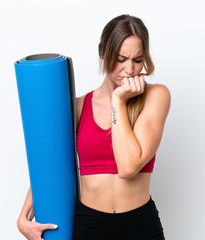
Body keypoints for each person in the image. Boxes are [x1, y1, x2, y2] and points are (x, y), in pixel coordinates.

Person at [17, 14, 171, 240]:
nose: (129, 69)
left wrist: (119, 101)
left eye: (137, 60)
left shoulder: (156, 96)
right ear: (103, 54)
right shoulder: (78, 107)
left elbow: (128, 167)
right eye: (121, 58)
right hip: (90, 225)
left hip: (140, 225)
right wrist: (23, 217)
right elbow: (52, 167)